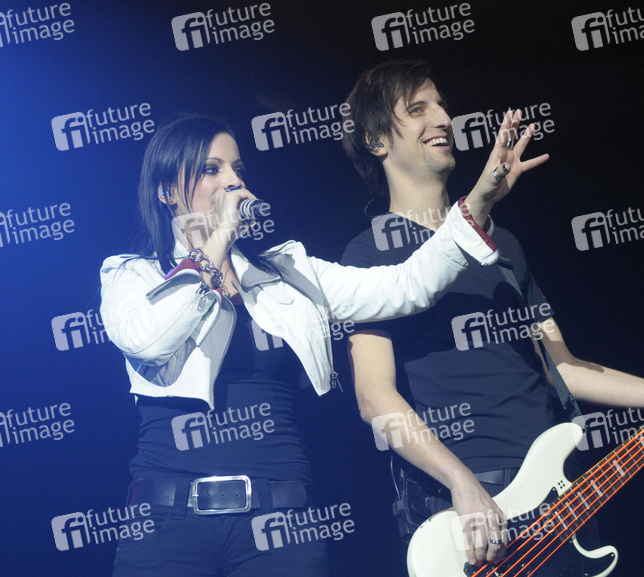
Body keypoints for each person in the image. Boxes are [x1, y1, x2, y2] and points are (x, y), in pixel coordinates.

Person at [339, 59, 644, 573]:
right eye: (418, 109)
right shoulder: (367, 254)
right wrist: (461, 482)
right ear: (377, 140)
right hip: (465, 509)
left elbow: (563, 367)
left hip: (558, 495)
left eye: (442, 105)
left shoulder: (503, 244)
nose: (443, 118)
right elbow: (375, 397)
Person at [98, 112, 536, 576]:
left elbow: (408, 285)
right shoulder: (131, 275)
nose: (233, 182)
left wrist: (480, 200)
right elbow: (149, 341)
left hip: (280, 524)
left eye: (238, 169)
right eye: (212, 169)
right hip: (168, 523)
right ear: (166, 191)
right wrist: (218, 239)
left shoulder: (288, 272)